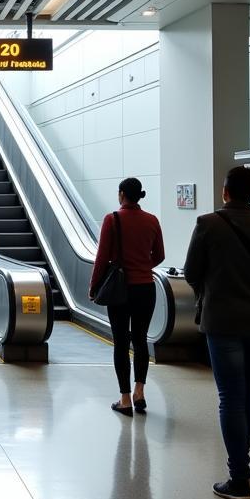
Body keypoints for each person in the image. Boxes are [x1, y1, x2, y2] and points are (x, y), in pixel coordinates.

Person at [184, 166, 250, 499]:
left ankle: (239, 477)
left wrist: (211, 288)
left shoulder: (208, 224)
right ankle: (241, 455)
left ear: (225, 192)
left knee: (230, 396)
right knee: (249, 392)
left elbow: (191, 272)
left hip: (223, 321)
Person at [89, 177, 165, 416]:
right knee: (141, 339)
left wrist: (94, 287)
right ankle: (140, 391)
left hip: (120, 290)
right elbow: (160, 255)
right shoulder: (152, 220)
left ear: (122, 194)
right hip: (146, 288)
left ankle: (124, 399)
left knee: (121, 343)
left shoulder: (113, 219)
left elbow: (102, 258)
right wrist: (143, 266)